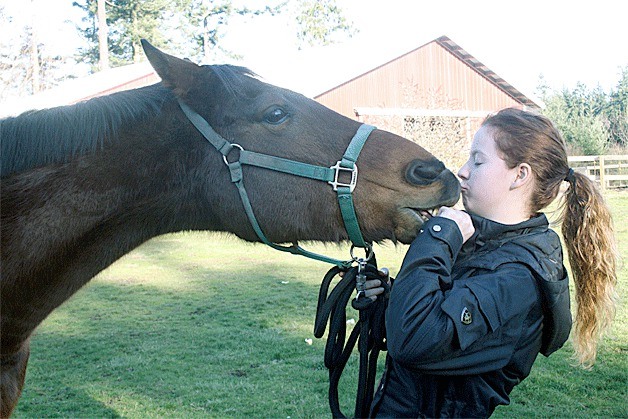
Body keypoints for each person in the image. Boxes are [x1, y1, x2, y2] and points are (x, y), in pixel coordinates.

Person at [363, 107, 618, 418]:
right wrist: (389, 299)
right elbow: (427, 329)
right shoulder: (482, 246)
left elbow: (413, 340)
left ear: (520, 175)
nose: (462, 171)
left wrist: (438, 237)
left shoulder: (519, 278)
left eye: (478, 160)